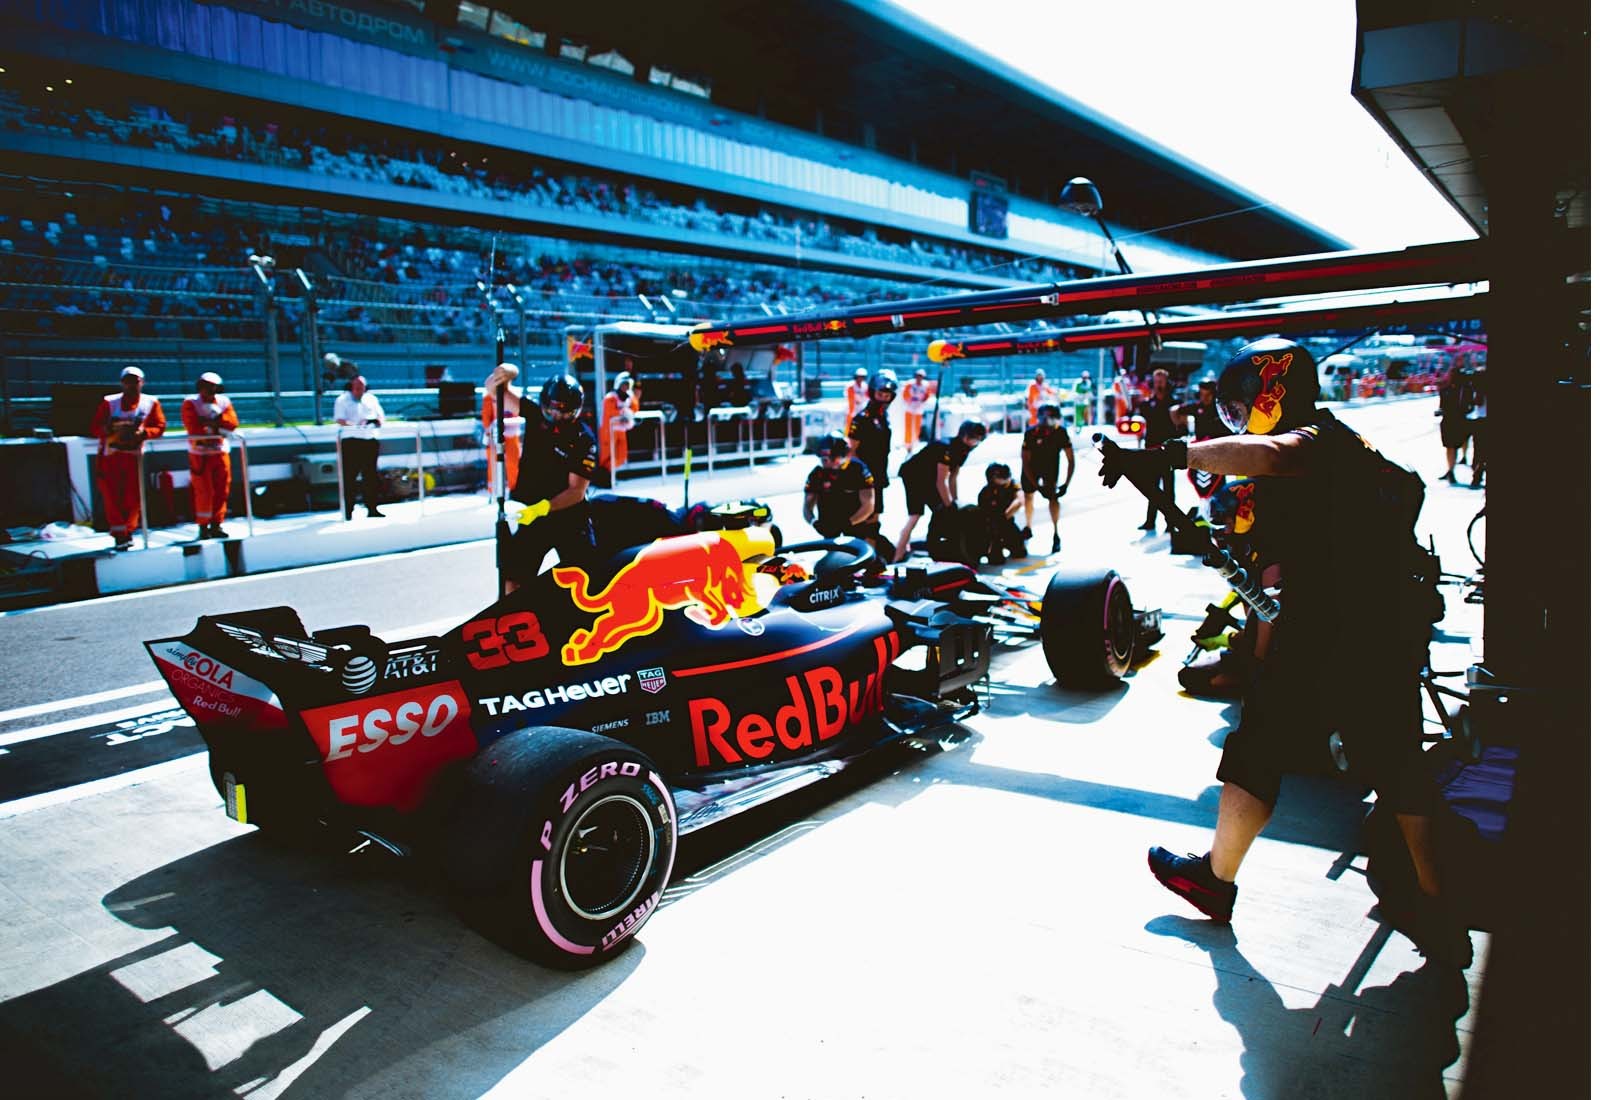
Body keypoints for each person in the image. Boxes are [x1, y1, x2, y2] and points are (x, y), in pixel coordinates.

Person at [1100, 337, 1463, 965]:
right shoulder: (1352, 447)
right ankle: (1438, 909)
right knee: (1400, 763)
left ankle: (1215, 879)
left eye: (1242, 407)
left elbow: (1271, 463)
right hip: (1386, 630)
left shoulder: (1311, 443)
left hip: (1326, 635)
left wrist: (1168, 453)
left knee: (1256, 751)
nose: (1240, 421)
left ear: (1273, 393)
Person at [505, 372, 599, 592]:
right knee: (513, 580)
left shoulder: (584, 439)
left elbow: (576, 491)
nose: (556, 416)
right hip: (532, 514)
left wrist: (543, 507)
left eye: (564, 412)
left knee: (586, 580)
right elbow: (496, 389)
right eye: (552, 410)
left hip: (569, 517)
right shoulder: (534, 414)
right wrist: (510, 372)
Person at [89, 365, 166, 550]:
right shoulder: (109, 402)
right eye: (128, 381)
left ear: (142, 383)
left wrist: (144, 433)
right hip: (111, 457)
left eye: (135, 381)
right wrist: (109, 429)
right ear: (122, 383)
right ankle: (119, 535)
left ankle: (128, 531)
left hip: (134, 458)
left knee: (133, 498)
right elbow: (95, 427)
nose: (132, 385)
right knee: (112, 497)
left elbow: (160, 426)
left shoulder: (151, 402)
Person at [893, 418, 987, 562]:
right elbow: (941, 481)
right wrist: (949, 506)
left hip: (929, 478)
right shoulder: (947, 447)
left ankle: (932, 547)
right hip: (914, 476)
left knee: (942, 509)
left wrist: (955, 501)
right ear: (964, 435)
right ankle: (898, 555)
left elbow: (953, 477)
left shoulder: (964, 451)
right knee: (916, 515)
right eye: (973, 438)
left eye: (978, 439)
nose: (975, 442)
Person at [180, 371, 239, 539]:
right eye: (206, 386)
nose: (210, 390)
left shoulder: (224, 401)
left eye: (213, 387)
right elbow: (193, 427)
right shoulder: (190, 402)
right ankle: (203, 526)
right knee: (203, 490)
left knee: (222, 489)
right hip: (200, 454)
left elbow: (232, 423)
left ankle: (217, 524)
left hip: (220, 452)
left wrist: (214, 421)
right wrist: (217, 425)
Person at [803, 432, 880, 547]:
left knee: (859, 547)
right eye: (824, 459)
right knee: (832, 550)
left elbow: (869, 505)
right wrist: (814, 522)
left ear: (844, 455)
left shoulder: (858, 469)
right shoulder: (816, 474)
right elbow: (807, 506)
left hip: (855, 520)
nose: (828, 462)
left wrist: (849, 522)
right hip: (829, 521)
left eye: (832, 458)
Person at [1020, 402, 1075, 554]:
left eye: (1050, 417)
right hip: (1032, 467)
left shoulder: (1060, 432)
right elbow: (1025, 461)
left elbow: (1071, 459)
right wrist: (1036, 486)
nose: (1046, 421)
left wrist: (1066, 484)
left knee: (1053, 497)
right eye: (1044, 417)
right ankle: (1028, 526)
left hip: (1050, 467)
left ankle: (1056, 532)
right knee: (1028, 496)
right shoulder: (1031, 433)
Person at [1133, 368, 1182, 533]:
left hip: (1168, 451)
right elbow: (1141, 426)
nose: (1159, 384)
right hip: (1151, 451)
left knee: (1168, 490)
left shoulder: (1174, 404)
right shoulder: (1147, 404)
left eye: (1161, 381)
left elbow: (1181, 427)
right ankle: (1150, 521)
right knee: (1152, 488)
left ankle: (1171, 522)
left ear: (1166, 382)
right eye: (1156, 381)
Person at [333, 374, 386, 519]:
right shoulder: (342, 400)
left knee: (371, 476)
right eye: (356, 387)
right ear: (351, 387)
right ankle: (348, 511)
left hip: (369, 440)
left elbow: (381, 416)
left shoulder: (371, 399)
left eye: (362, 387)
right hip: (352, 441)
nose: (359, 390)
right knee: (350, 477)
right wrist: (357, 426)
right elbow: (340, 419)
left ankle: (372, 508)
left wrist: (375, 422)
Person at [847, 369, 896, 517]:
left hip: (879, 474)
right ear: (872, 393)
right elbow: (851, 451)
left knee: (876, 518)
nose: (883, 399)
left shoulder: (884, 417)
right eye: (880, 394)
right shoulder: (861, 418)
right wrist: (862, 476)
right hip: (864, 478)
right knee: (863, 519)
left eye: (887, 396)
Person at [481, 363, 523, 495]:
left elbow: (519, 413)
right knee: (493, 465)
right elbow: (486, 417)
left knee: (513, 464)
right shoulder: (488, 396)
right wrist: (489, 432)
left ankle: (515, 489)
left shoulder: (515, 394)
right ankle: (493, 491)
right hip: (494, 436)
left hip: (512, 434)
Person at [976, 462, 1027, 564]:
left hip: (1006, 523)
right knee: (996, 560)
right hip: (992, 528)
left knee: (1020, 552)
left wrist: (1004, 516)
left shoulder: (1013, 484)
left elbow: (1020, 500)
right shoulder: (985, 492)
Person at [1436, 363, 1475, 484]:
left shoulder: (1446, 390)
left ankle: (1450, 470)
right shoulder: (1465, 389)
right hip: (1458, 420)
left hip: (1449, 420)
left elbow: (1442, 407)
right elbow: (1470, 407)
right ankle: (1451, 470)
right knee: (1453, 446)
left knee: (1450, 447)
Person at [598, 372, 638, 483]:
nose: (625, 387)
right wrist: (623, 412)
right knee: (606, 456)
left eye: (627, 385)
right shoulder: (610, 397)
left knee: (621, 456)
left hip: (621, 430)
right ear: (618, 384)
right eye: (623, 385)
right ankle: (603, 479)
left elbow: (635, 408)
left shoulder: (629, 398)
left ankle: (609, 475)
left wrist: (628, 411)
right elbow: (610, 411)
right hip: (608, 431)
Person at [901, 368, 936, 453]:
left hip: (919, 409)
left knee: (917, 427)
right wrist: (910, 400)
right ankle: (908, 443)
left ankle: (915, 441)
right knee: (908, 426)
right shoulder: (910, 384)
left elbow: (927, 395)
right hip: (909, 408)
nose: (919, 378)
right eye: (918, 376)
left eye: (921, 376)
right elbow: (905, 395)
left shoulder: (925, 385)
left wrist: (921, 401)